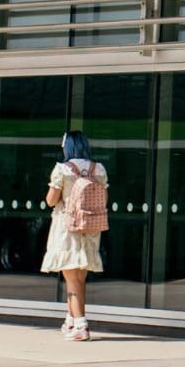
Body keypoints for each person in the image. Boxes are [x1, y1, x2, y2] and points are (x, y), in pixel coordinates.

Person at [42, 131, 107, 342]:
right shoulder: (98, 168)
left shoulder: (62, 169)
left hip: (67, 227)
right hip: (90, 227)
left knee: (70, 277)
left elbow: (51, 200)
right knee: (79, 277)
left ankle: (80, 324)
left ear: (68, 146)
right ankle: (70, 319)